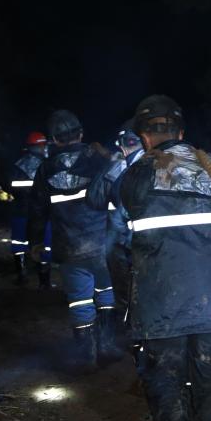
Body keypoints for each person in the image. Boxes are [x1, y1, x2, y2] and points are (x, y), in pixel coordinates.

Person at [119, 94, 211, 421]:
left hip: (161, 302)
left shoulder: (137, 173)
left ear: (144, 137)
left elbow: (123, 228)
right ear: (181, 132)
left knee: (165, 379)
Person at [28, 110, 116, 371]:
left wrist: (35, 242)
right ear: (81, 133)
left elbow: (37, 210)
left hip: (69, 247)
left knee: (79, 300)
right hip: (102, 244)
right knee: (106, 294)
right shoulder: (98, 160)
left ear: (54, 139)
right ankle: (107, 346)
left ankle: (85, 355)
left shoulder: (45, 169)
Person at [86, 120, 144, 320]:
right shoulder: (163, 163)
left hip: (122, 243)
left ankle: (126, 322)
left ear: (122, 144)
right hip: (157, 245)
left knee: (125, 290)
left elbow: (94, 198)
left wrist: (111, 166)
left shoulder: (119, 167)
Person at [0, 131, 52, 287]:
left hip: (20, 211)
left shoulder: (17, 165)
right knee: (43, 244)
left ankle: (22, 275)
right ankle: (44, 282)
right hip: (41, 213)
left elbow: (6, 186)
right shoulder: (47, 166)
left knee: (19, 243)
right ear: (40, 146)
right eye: (44, 145)